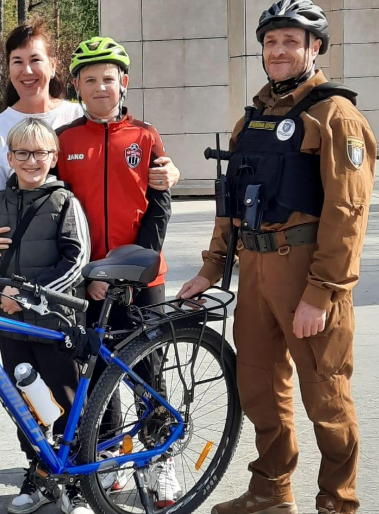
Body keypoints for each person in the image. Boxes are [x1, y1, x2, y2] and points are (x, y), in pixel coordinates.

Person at [177, 2, 376, 513]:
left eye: (292, 41)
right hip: (255, 272)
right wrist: (211, 267)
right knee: (260, 390)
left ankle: (338, 501)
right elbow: (231, 202)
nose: (279, 50)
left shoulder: (336, 115)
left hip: (306, 269)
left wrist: (321, 293)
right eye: (271, 42)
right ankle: (271, 491)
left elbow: (347, 213)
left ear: (314, 48)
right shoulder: (254, 119)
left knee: (325, 396)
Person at [55, 36, 179, 507]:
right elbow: (60, 213)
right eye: (90, 79)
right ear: (78, 88)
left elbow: (159, 207)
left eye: (108, 78)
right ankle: (111, 457)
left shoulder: (145, 136)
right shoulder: (66, 141)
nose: (100, 86)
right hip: (89, 279)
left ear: (123, 83)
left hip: (142, 277)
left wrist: (132, 269)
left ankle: (158, 459)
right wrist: (88, 273)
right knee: (98, 369)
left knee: (148, 369)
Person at [0, 17, 179, 256]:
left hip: (112, 258)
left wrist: (170, 172)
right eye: (17, 61)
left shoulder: (83, 114)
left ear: (53, 65)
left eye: (35, 59)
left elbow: (130, 154)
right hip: (51, 259)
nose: (27, 70)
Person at [0, 117, 90, 514]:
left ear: (53, 157)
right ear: (10, 158)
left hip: (55, 325)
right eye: (22, 153)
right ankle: (38, 474)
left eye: (39, 152)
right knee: (24, 404)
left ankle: (75, 483)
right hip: (12, 326)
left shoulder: (64, 201)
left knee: (67, 402)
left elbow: (76, 261)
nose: (31, 160)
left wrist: (25, 294)